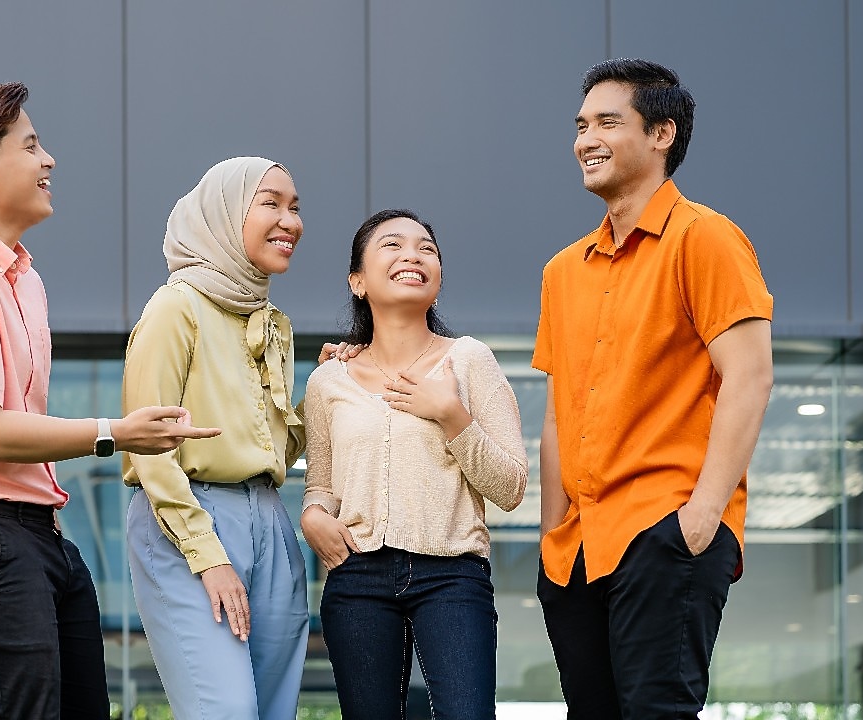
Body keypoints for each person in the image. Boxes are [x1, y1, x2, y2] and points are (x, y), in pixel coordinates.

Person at [0, 80, 220, 720]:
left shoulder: (22, 277)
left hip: (35, 534)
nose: (49, 161)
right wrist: (115, 433)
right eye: (32, 145)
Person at [533, 58, 774, 719]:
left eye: (608, 122)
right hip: (577, 550)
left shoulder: (707, 238)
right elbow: (559, 414)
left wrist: (701, 518)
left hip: (666, 528)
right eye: (581, 125)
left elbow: (749, 377)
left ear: (661, 134)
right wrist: (553, 531)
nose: (586, 138)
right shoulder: (561, 272)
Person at [301, 208, 528, 720]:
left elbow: (511, 486)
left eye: (426, 248)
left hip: (452, 574)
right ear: (357, 281)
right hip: (356, 575)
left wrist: (452, 416)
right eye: (392, 245)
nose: (412, 255)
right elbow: (320, 483)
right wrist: (313, 514)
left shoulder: (469, 360)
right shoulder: (328, 380)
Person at [121, 157, 310, 720]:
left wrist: (330, 387)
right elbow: (147, 447)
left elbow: (272, 449)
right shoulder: (176, 306)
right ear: (225, 214)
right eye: (271, 203)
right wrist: (208, 557)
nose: (290, 221)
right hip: (188, 517)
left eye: (296, 207)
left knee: (274, 712)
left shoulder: (273, 320)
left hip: (271, 517)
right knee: (224, 711)